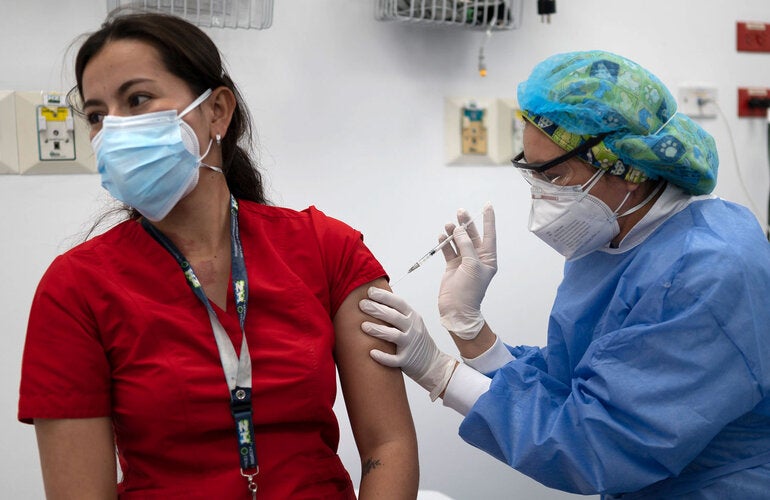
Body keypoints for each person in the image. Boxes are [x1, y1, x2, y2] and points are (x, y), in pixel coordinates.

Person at [18, 11, 418, 500]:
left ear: (217, 112)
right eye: (97, 115)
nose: (113, 130)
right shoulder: (75, 289)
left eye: (137, 99)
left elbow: (389, 444)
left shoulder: (327, 249)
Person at [359, 50, 770, 498]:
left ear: (628, 169)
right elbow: (570, 385)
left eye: (555, 176)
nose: (542, 196)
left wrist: (440, 373)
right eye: (534, 176)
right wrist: (469, 326)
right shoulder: (615, 241)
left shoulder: (706, 271)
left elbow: (592, 444)